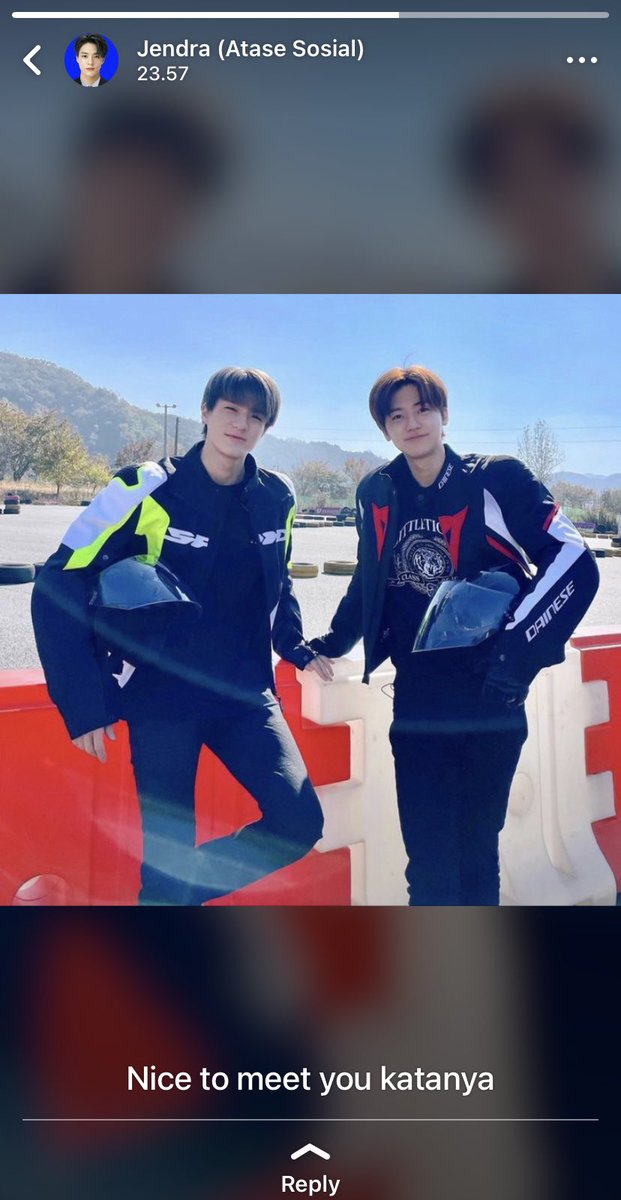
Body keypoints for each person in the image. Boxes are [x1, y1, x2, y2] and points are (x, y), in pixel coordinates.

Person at [32, 367, 329, 905]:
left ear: (266, 427)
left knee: (299, 821)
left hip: (244, 695)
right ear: (206, 412)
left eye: (256, 416)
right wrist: (83, 700)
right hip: (161, 699)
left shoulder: (277, 496)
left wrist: (293, 644)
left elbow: (279, 579)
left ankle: (172, 894)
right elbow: (59, 579)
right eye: (230, 409)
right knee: (166, 856)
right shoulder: (145, 486)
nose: (241, 424)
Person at [310, 365, 599, 906]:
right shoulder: (377, 492)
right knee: (428, 867)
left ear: (444, 414)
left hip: (492, 696)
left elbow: (575, 561)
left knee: (475, 856)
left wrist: (514, 656)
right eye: (397, 415)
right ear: (385, 429)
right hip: (418, 702)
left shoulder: (497, 479)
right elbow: (369, 578)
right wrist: (331, 642)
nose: (412, 423)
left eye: (423, 409)